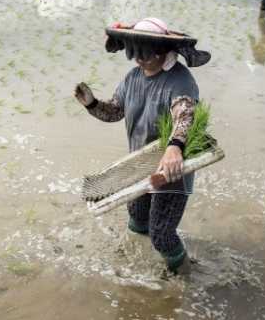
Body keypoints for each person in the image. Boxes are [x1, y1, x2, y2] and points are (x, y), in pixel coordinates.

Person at [74, 17, 210, 275]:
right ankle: (136, 264)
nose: (140, 60)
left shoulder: (180, 80)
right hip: (139, 166)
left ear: (162, 51)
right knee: (137, 220)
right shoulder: (132, 77)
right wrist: (91, 103)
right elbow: (115, 112)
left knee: (161, 234)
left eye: (146, 55)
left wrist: (175, 147)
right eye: (136, 54)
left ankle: (184, 278)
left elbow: (185, 115)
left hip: (171, 170)